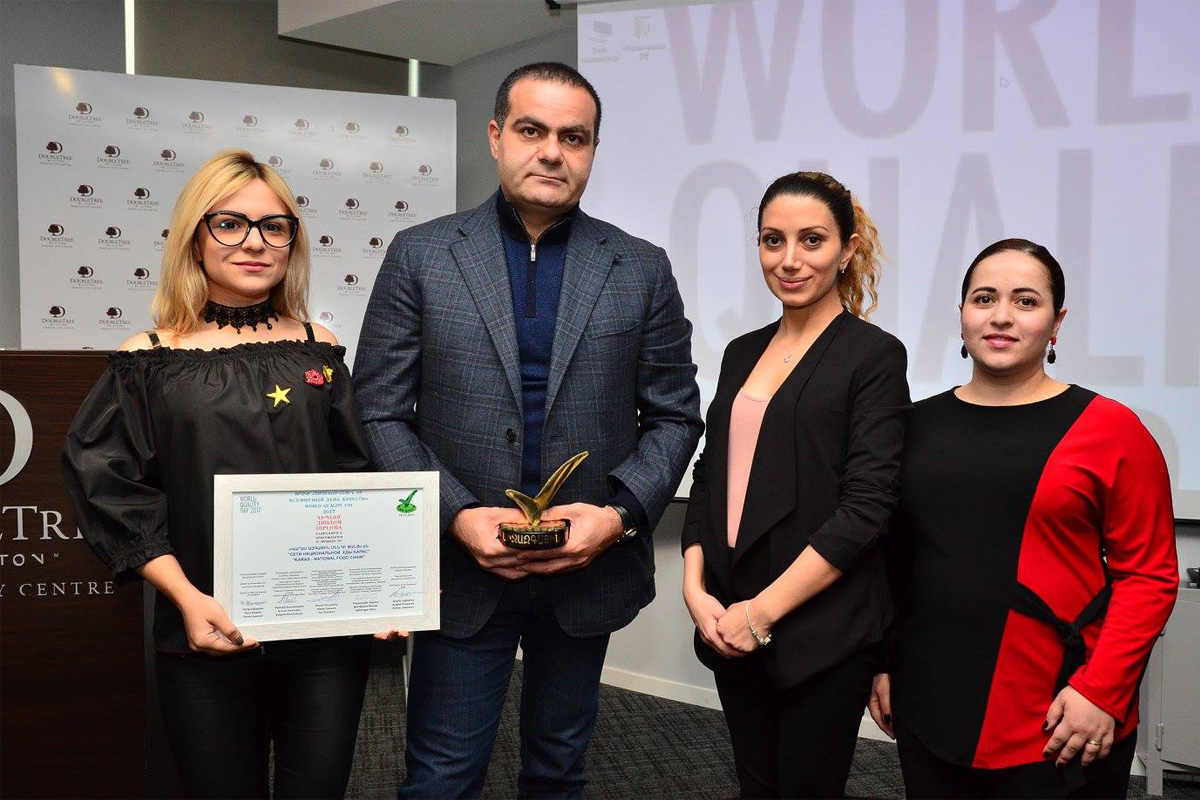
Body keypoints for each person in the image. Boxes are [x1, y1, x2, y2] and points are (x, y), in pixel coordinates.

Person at [353, 62, 703, 798]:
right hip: (463, 567)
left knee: (558, 770)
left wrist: (616, 518)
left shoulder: (640, 268)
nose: (552, 152)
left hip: (588, 568)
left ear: (593, 149)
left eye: (573, 137)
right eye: (532, 130)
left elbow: (675, 415)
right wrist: (458, 517)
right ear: (496, 136)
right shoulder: (422, 255)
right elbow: (379, 409)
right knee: (442, 776)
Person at [62, 149, 391, 799]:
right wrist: (187, 599)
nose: (255, 243)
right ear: (195, 236)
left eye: (274, 226)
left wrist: (380, 590)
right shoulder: (147, 360)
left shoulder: (319, 346)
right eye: (230, 223)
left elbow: (357, 479)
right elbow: (108, 487)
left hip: (323, 637)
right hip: (203, 633)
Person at [870, 239, 1179, 798]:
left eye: (1026, 301)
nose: (1001, 316)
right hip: (931, 705)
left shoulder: (1112, 430)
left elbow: (1149, 575)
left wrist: (1102, 692)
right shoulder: (911, 428)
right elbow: (894, 565)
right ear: (961, 315)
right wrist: (882, 663)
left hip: (1065, 716)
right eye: (984, 298)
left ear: (1057, 323)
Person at [680, 171, 911, 798]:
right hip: (730, 616)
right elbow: (710, 473)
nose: (789, 260)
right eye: (772, 240)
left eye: (812, 240)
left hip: (820, 628)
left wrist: (762, 613)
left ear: (847, 248)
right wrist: (695, 587)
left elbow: (867, 509)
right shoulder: (740, 351)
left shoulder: (873, 355)